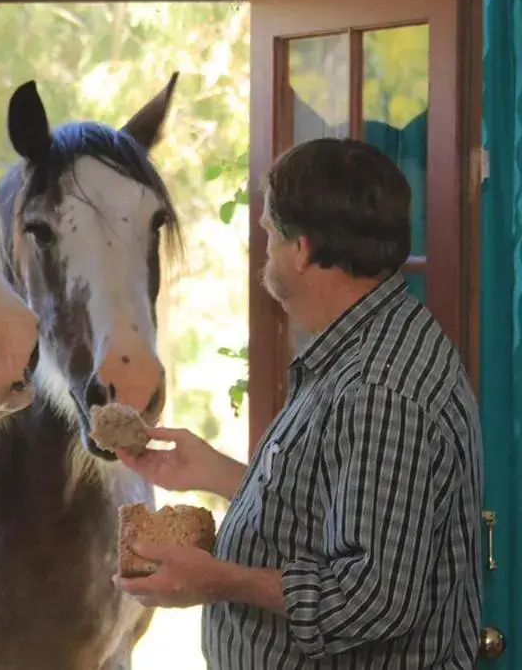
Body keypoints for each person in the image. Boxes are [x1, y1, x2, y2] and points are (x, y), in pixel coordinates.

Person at [115, 137, 484, 669]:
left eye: (268, 232)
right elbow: (337, 513)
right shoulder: (367, 343)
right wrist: (216, 472)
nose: (262, 244)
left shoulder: (379, 388)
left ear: (303, 249)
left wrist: (220, 581)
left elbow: (372, 599)